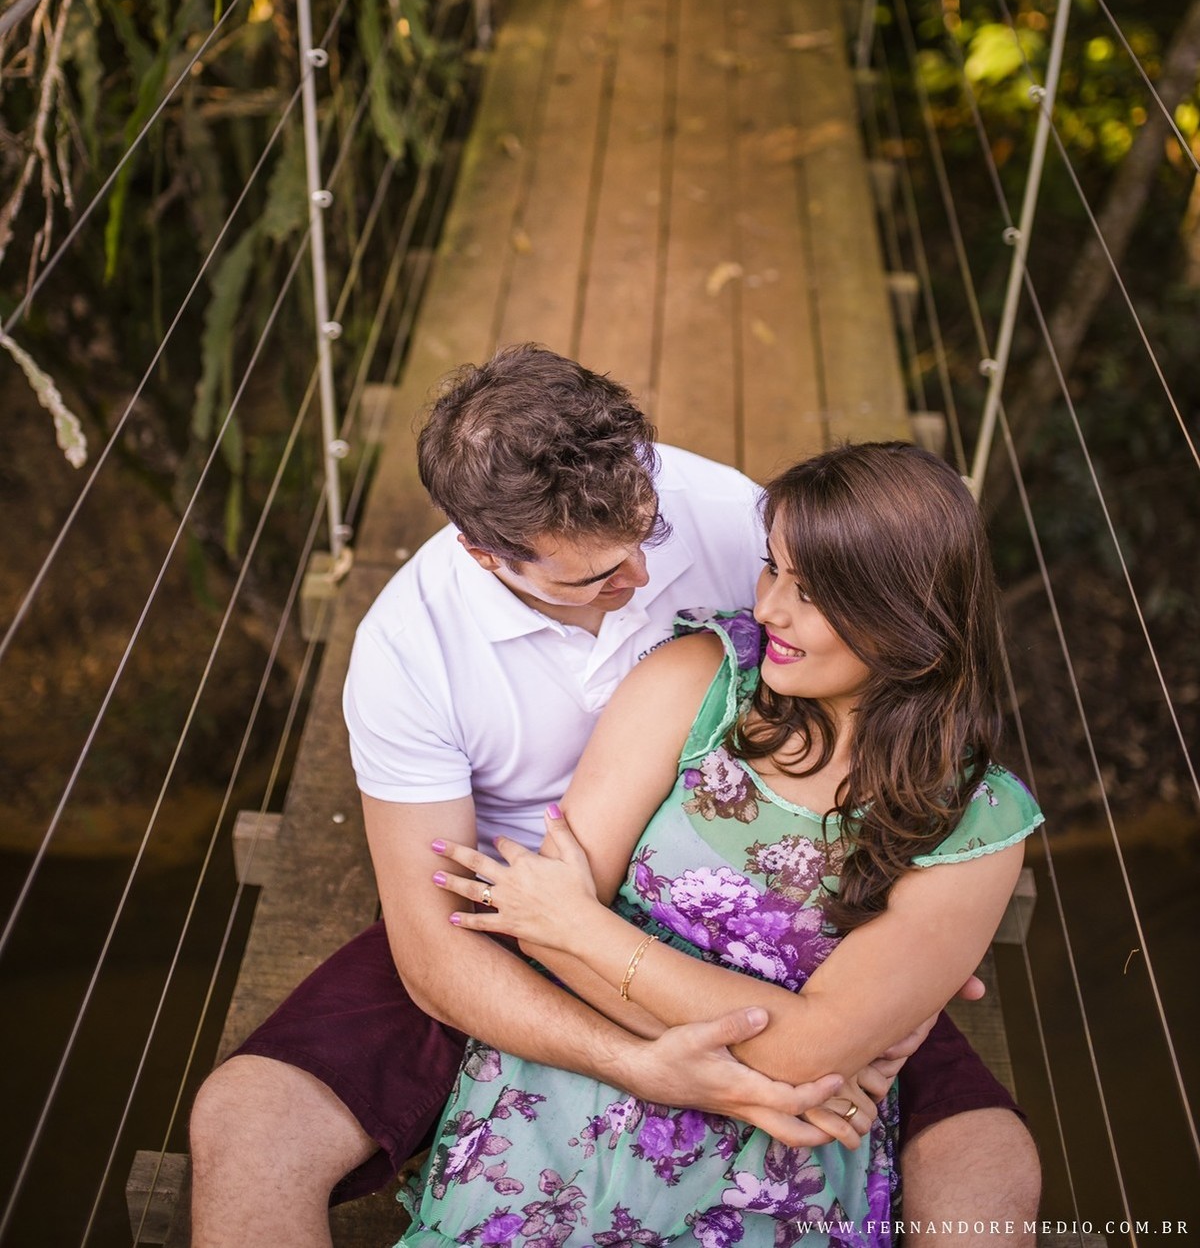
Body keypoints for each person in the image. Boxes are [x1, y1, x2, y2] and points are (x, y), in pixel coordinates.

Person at [188, 349, 1041, 1248]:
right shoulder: (411, 651)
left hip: (790, 934)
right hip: (532, 903)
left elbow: (893, 670)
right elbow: (445, 951)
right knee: (248, 1119)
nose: (641, 580)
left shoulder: (740, 522)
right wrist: (653, 1066)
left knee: (989, 1166)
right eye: (594, 575)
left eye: (649, 535)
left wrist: (912, 982)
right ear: (487, 556)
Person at [399, 439, 1043, 1247]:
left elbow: (811, 1045)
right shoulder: (702, 676)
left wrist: (592, 933)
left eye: (812, 594)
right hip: (570, 1097)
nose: (770, 607)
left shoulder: (977, 825)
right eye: (773, 569)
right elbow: (540, 931)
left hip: (782, 1146)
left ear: (905, 613)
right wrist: (735, 1062)